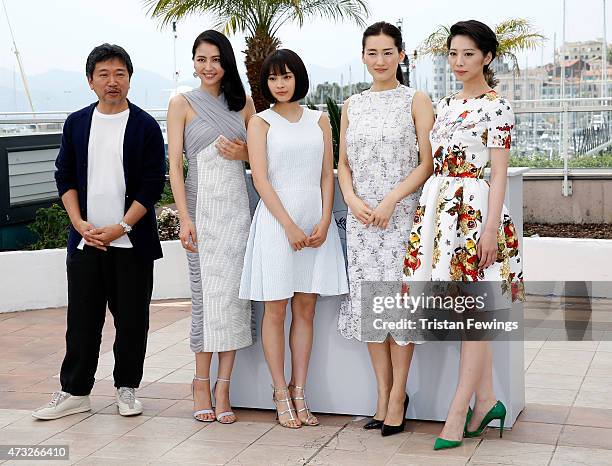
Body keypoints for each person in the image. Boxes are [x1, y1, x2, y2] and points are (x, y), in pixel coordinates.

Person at [400, 20, 524, 450]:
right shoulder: (446, 103)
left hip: (471, 211)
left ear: (487, 57)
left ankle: (457, 414)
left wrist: (490, 230)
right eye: (453, 53)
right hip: (439, 210)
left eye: (469, 54)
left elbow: (500, 172)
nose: (459, 61)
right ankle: (487, 400)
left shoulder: (497, 106)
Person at [32, 44, 166, 420]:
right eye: (104, 74)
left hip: (131, 242)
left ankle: (127, 389)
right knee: (82, 321)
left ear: (129, 79)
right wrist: (78, 224)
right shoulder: (77, 123)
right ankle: (75, 391)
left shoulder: (144, 125)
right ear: (90, 81)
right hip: (86, 240)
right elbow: (65, 176)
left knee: (132, 320)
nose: (112, 81)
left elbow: (152, 184)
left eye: (120, 74)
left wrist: (122, 225)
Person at [239, 49, 348, 429]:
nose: (280, 84)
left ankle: (300, 390)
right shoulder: (261, 122)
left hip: (315, 225)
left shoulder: (320, 121)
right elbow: (261, 179)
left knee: (306, 310)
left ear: (298, 78)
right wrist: (288, 224)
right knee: (276, 311)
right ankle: (279, 393)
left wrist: (323, 221)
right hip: (275, 224)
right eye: (272, 78)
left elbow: (326, 176)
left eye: (286, 76)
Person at [336, 21, 434, 437]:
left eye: (388, 52)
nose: (380, 60)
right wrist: (354, 201)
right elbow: (343, 165)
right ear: (363, 56)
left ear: (401, 55)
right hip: (362, 223)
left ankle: (398, 398)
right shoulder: (350, 105)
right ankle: (382, 395)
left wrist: (392, 199)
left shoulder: (416, 99)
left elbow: (427, 162)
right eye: (372, 53)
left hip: (402, 218)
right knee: (372, 312)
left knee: (399, 308)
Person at [166, 30, 256, 424]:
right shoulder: (181, 103)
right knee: (206, 301)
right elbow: (174, 166)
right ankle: (200, 382)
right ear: (193, 62)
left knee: (234, 301)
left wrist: (246, 151)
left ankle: (224, 386)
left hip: (238, 214)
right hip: (201, 213)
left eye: (216, 60)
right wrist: (183, 218)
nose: (208, 67)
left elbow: (262, 157)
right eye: (201, 59)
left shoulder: (244, 104)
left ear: (227, 63)